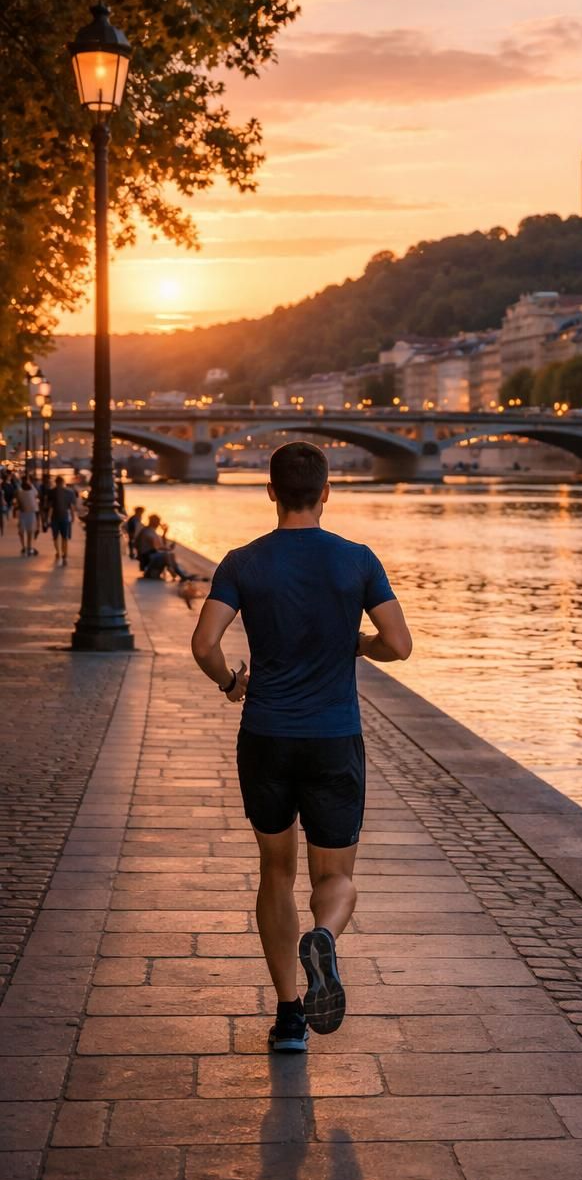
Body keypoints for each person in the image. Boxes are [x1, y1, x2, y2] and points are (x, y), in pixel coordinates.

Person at [190, 442, 412, 1054]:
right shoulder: (357, 560)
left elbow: (204, 642)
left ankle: (290, 1017)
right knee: (334, 875)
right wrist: (360, 644)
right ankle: (326, 938)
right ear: (326, 492)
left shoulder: (242, 562)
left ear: (269, 491)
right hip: (333, 737)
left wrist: (232, 684)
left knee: (275, 872)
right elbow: (400, 643)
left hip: (265, 735)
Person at [135, 514, 187, 580]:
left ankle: (179, 573)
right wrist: (169, 548)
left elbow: (161, 546)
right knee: (167, 555)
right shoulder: (148, 531)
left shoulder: (150, 530)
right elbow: (159, 547)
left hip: (149, 555)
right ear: (154, 522)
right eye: (158, 522)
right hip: (146, 558)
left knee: (170, 554)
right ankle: (180, 574)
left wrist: (164, 534)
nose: (159, 524)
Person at [49, 475, 77, 565]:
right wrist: (73, 517)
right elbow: (72, 506)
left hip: (55, 517)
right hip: (65, 517)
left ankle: (58, 552)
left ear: (56, 482)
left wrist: (47, 518)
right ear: (63, 482)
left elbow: (50, 507)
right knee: (65, 537)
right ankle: (65, 554)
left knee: (55, 537)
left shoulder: (52, 492)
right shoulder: (69, 492)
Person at [14, 477, 39, 556]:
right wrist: (30, 483)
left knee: (21, 531)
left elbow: (17, 501)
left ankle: (23, 547)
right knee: (30, 532)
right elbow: (36, 493)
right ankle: (29, 547)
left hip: (22, 514)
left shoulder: (20, 492)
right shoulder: (32, 491)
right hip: (31, 514)